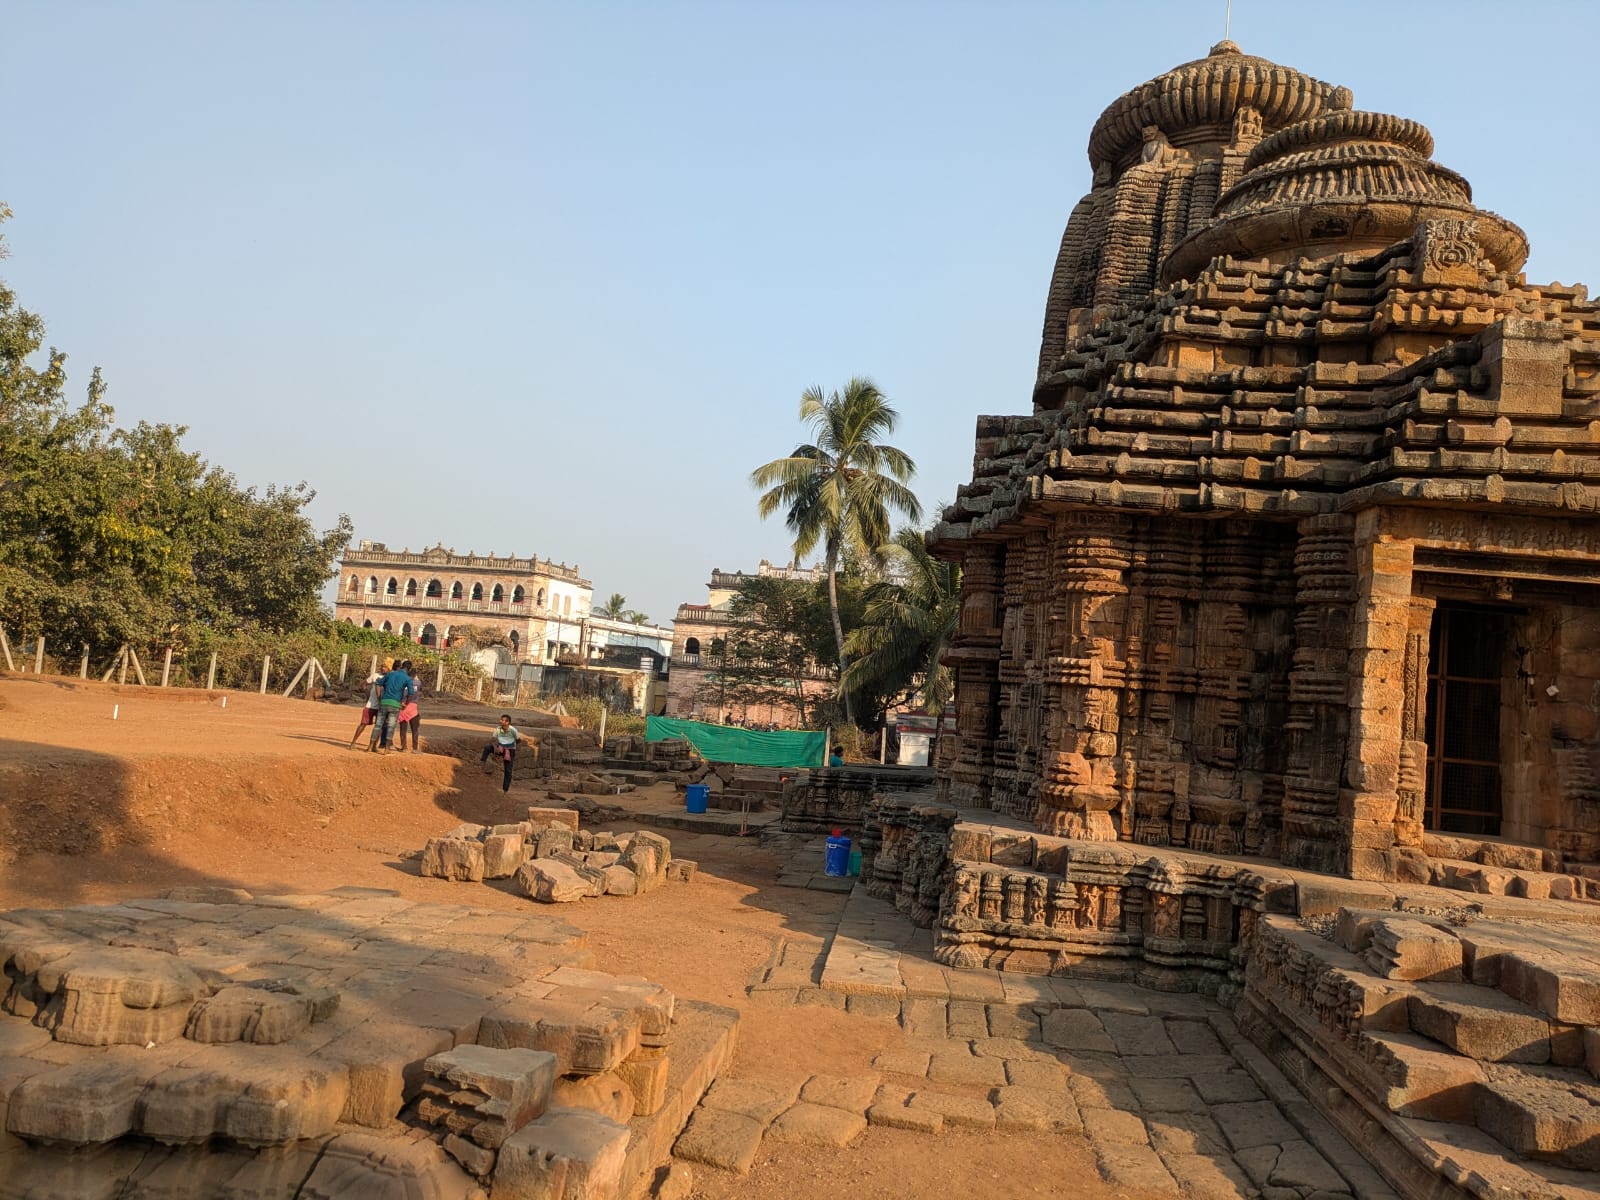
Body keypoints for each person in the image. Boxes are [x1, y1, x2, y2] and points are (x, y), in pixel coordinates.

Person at [370, 659, 413, 753]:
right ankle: (387, 749)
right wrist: (405, 704)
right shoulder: (408, 678)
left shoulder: (390, 674)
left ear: (401, 666)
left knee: (378, 725)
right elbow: (410, 694)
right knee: (391, 727)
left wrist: (379, 698)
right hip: (395, 704)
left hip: (384, 702)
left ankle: (370, 747)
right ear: (409, 669)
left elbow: (378, 683)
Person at [480, 714, 523, 792]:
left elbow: (519, 740)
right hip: (500, 747)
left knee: (508, 770)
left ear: (508, 722)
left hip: (510, 750)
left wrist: (510, 746)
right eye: (501, 720)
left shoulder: (513, 730)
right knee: (487, 747)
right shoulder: (498, 729)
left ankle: (505, 790)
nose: (501, 721)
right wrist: (495, 747)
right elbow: (493, 740)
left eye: (504, 720)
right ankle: (482, 763)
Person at [348, 667, 383, 749]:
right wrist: (367, 693)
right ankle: (353, 743)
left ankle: (374, 745)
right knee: (363, 723)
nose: (382, 668)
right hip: (371, 704)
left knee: (379, 726)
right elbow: (364, 684)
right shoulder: (375, 675)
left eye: (385, 667)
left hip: (381, 705)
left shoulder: (390, 677)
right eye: (382, 666)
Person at [396, 660, 423, 752]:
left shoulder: (403, 681)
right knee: (415, 729)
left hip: (403, 706)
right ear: (415, 675)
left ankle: (404, 747)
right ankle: (415, 748)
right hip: (413, 707)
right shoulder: (418, 683)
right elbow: (420, 690)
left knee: (403, 728)